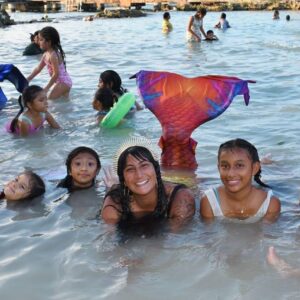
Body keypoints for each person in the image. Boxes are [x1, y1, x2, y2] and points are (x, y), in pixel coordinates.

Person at [101, 143, 195, 225]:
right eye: (130, 169)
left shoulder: (180, 197)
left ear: (156, 169)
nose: (139, 175)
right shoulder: (114, 202)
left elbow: (174, 239)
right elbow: (109, 239)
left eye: (144, 165)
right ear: (124, 180)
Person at [200, 138, 281, 223]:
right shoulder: (209, 201)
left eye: (239, 165)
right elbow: (209, 234)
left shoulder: (270, 204)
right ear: (218, 168)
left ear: (254, 168)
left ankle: (266, 161)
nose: (231, 174)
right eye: (225, 166)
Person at [27, 26, 72, 100]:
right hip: (64, 82)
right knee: (64, 104)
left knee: (49, 100)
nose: (39, 42)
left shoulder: (53, 55)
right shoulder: (45, 54)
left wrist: (46, 88)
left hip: (63, 82)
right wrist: (28, 79)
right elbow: (38, 69)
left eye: (41, 40)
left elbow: (56, 74)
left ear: (48, 42)